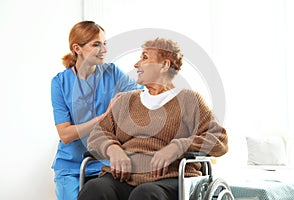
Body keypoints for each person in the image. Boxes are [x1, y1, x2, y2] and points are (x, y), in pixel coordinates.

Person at [78, 37, 228, 200]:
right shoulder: (125, 100)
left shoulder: (189, 100)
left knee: (145, 194)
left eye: (144, 57)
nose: (136, 64)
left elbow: (219, 140)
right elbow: (97, 135)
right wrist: (112, 149)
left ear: (164, 65)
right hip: (124, 177)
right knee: (94, 188)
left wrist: (179, 146)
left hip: (169, 179)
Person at [51, 21, 142, 200]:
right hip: (71, 166)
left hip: (104, 163)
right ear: (77, 48)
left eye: (104, 43)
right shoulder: (60, 83)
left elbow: (141, 93)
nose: (104, 49)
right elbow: (66, 134)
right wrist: (105, 116)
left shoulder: (112, 73)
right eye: (96, 44)